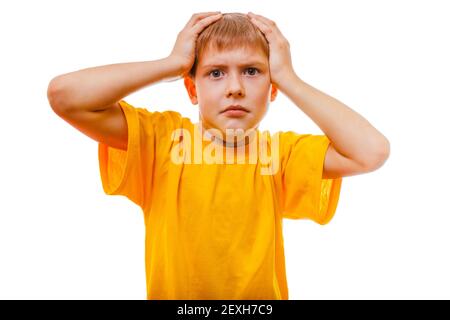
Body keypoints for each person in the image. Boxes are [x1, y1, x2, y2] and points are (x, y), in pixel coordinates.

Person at [47, 11, 390, 300]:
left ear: (272, 89)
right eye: (215, 72)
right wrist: (170, 64)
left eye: (252, 71)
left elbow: (371, 151)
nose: (235, 87)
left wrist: (289, 78)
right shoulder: (162, 141)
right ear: (192, 89)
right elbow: (65, 96)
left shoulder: (282, 153)